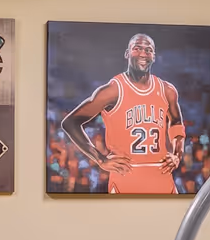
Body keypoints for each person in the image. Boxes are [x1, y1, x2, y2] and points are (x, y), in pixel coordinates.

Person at [60, 33, 184, 194]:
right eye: (137, 48)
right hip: (125, 176)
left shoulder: (167, 90)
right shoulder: (112, 90)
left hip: (161, 175)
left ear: (154, 56)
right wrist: (100, 159)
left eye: (148, 50)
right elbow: (70, 123)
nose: (143, 53)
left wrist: (177, 154)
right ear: (127, 53)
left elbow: (176, 122)